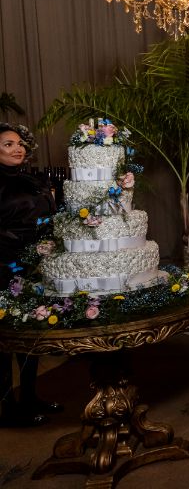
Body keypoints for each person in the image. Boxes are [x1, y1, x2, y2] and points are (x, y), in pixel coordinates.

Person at [0, 122, 62, 427]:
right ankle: (6, 407)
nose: (18, 148)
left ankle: (29, 396)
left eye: (19, 143)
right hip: (4, 264)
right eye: (8, 144)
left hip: (34, 263)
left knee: (31, 332)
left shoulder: (31, 179)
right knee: (5, 338)